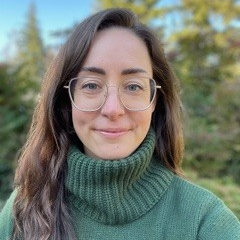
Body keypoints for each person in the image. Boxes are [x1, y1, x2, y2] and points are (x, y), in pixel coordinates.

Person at [0, 8, 239, 240]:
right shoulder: (23, 210)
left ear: (154, 100)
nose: (113, 109)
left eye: (133, 86)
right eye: (91, 85)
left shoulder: (204, 222)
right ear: (67, 100)